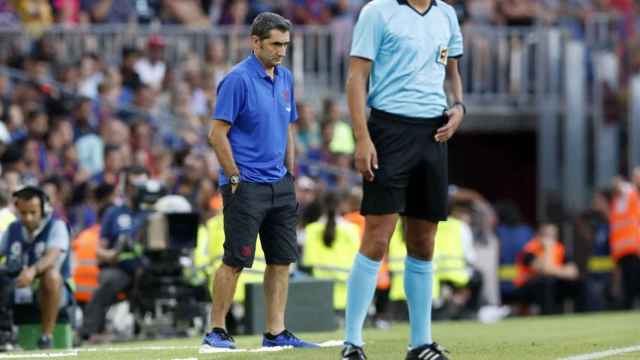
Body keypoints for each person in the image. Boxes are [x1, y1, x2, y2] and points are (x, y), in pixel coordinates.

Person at [341, 0, 465, 358]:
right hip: (389, 130)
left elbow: (453, 71)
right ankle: (352, 342)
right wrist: (362, 137)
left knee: (424, 241)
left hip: (433, 134)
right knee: (377, 236)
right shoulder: (377, 11)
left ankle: (420, 343)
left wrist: (459, 106)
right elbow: (356, 77)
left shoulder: (446, 14)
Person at [202, 12, 317, 350]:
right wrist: (234, 176)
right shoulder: (237, 80)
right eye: (275, 44)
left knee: (282, 261)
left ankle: (275, 332)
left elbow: (288, 129)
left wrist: (290, 173)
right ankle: (216, 330)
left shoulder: (285, 79)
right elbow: (216, 134)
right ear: (255, 42)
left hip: (279, 184)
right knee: (235, 260)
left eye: (285, 45)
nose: (281, 51)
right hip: (246, 185)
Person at [79, 166, 148, 343]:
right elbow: (100, 250)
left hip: (149, 266)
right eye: (133, 185)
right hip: (121, 267)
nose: (137, 190)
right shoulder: (114, 213)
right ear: (125, 187)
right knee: (109, 280)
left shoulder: (154, 211)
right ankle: (88, 331)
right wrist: (111, 255)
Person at [0, 186, 72, 349]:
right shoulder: (12, 229)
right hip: (17, 286)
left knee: (51, 276)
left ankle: (46, 336)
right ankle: (4, 336)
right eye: (23, 213)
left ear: (44, 209)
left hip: (50, 291)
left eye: (33, 212)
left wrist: (32, 271)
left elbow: (52, 256)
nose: (28, 218)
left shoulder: (57, 226)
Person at [513, 223, 583, 314]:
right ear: (539, 236)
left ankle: (582, 313)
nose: (551, 239)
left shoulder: (559, 248)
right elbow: (545, 270)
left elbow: (573, 271)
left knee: (577, 283)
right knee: (547, 282)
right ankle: (548, 315)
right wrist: (548, 249)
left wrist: (553, 270)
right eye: (547, 235)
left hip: (553, 283)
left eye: (553, 235)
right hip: (527, 286)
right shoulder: (529, 250)